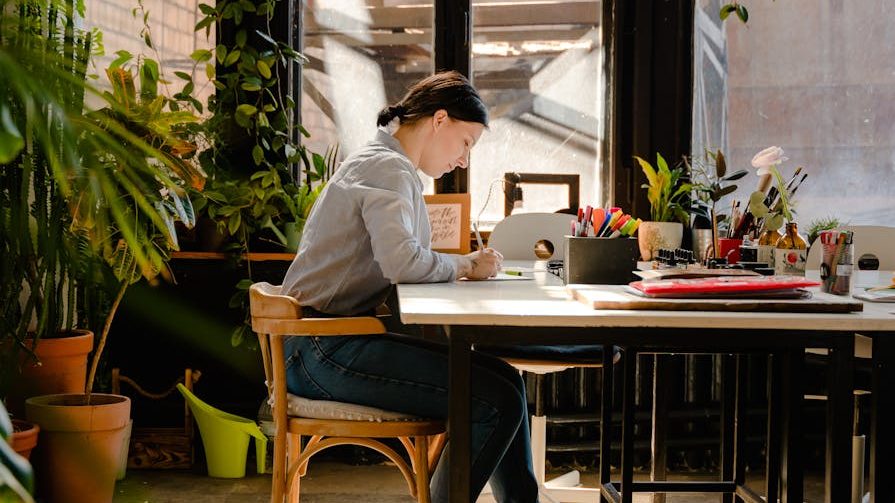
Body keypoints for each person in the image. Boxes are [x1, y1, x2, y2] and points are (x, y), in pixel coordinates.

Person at [280, 71, 539, 503]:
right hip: (324, 350)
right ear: (440, 120)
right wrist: (466, 265)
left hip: (324, 344)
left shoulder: (382, 163)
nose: (464, 160)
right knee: (497, 400)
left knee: (506, 380)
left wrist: (461, 266)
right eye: (466, 143)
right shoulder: (388, 168)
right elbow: (402, 261)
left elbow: (402, 257)